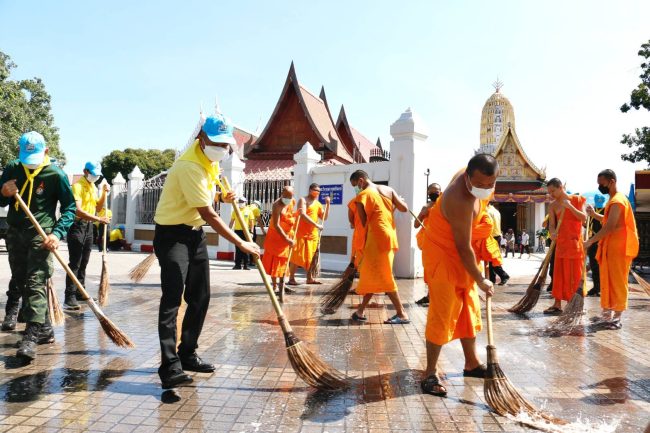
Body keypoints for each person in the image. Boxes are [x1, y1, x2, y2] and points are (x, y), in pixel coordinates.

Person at [153, 114, 260, 389]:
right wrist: (241, 243)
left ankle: (187, 353)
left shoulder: (208, 161)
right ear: (202, 137)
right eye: (217, 142)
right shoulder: (189, 165)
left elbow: (205, 198)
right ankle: (169, 366)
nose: (222, 149)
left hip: (194, 234)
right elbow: (209, 214)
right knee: (172, 300)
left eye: (226, 144)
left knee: (200, 296)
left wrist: (222, 196)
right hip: (172, 235)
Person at [420, 154, 497, 397]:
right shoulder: (459, 198)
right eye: (480, 185)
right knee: (442, 313)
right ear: (467, 178)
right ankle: (430, 372)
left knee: (468, 309)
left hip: (462, 253)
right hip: (444, 255)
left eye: (490, 184)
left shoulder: (480, 177)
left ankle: (471, 363)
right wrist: (480, 278)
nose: (485, 189)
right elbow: (463, 247)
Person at [0, 132, 76, 360]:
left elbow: (69, 207)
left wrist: (57, 233)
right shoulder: (13, 167)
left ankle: (30, 336)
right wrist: (3, 192)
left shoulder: (56, 174)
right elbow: (1, 200)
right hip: (14, 233)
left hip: (41, 236)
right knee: (22, 281)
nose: (29, 165)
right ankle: (44, 328)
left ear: (46, 151)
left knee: (35, 283)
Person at [349, 170, 410, 324]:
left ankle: (401, 313)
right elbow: (404, 208)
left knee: (383, 275)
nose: (356, 188)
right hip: (389, 235)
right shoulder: (388, 190)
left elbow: (364, 223)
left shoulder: (362, 196)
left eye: (355, 185)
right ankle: (360, 311)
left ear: (361, 181)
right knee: (374, 273)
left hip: (376, 238)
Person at [584, 170, 639, 328]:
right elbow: (610, 221)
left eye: (601, 183)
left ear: (612, 182)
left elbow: (609, 227)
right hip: (610, 247)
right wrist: (594, 215)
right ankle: (607, 313)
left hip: (618, 247)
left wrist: (589, 242)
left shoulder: (618, 201)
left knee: (618, 282)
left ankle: (617, 317)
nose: (599, 187)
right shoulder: (614, 200)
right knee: (607, 280)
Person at [64, 162, 110, 310]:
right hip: (77, 226)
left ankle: (80, 291)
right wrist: (99, 219)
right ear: (85, 171)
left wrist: (104, 193)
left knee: (84, 261)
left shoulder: (92, 187)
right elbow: (78, 211)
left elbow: (97, 207)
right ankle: (69, 296)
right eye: (93, 173)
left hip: (89, 227)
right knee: (75, 262)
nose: (95, 177)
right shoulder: (77, 187)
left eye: (98, 175)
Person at [543, 178, 587, 315]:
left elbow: (583, 218)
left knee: (574, 274)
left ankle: (573, 303)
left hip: (575, 244)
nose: (551, 194)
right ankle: (557, 304)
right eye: (549, 192)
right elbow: (551, 225)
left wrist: (570, 207)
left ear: (561, 187)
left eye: (553, 191)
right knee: (559, 274)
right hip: (561, 244)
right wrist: (552, 234)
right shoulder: (552, 205)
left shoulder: (578, 199)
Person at [288, 183, 330, 285]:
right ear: (310, 190)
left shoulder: (318, 204)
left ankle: (309, 278)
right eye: (315, 190)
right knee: (296, 256)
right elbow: (302, 215)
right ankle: (291, 278)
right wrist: (316, 225)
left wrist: (328, 204)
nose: (317, 193)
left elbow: (324, 217)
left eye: (318, 191)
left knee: (311, 257)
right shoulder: (303, 200)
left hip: (313, 235)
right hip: (300, 233)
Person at [261, 187, 296, 295]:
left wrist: (296, 215)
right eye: (286, 197)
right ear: (282, 194)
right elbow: (276, 225)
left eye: (290, 197)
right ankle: (275, 286)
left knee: (284, 262)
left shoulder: (291, 201)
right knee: (275, 262)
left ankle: (283, 285)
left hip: (287, 237)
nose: (288, 199)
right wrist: (286, 238)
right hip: (276, 237)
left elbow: (290, 215)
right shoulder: (277, 205)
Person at [415, 183, 441, 307]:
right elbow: (416, 224)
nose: (434, 194)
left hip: (441, 243)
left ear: (441, 192)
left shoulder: (444, 206)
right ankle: (430, 296)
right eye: (431, 192)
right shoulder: (426, 207)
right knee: (429, 270)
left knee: (440, 271)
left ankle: (437, 296)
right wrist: (422, 213)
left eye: (436, 191)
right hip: (428, 243)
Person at [486, 203, 510, 285]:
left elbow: (487, 225)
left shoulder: (487, 211)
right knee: (491, 259)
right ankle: (492, 279)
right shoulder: (496, 211)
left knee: (492, 259)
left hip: (492, 236)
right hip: (497, 236)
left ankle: (504, 275)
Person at [586, 194, 605, 297]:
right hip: (592, 242)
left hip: (602, 241)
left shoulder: (606, 210)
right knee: (594, 266)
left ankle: (602, 288)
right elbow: (588, 225)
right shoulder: (592, 210)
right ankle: (596, 287)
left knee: (601, 266)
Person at [229, 196, 254, 270]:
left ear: (245, 202)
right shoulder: (235, 210)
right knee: (238, 248)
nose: (240, 203)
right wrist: (229, 230)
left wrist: (251, 232)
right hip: (237, 231)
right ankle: (237, 265)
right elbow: (232, 221)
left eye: (242, 202)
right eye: (239, 202)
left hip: (246, 231)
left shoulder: (249, 211)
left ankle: (246, 265)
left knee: (246, 248)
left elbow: (251, 222)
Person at [248, 200, 266, 267]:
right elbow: (259, 221)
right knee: (252, 244)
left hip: (244, 228)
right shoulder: (256, 209)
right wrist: (263, 230)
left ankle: (244, 260)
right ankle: (251, 261)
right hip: (252, 229)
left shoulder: (247, 207)